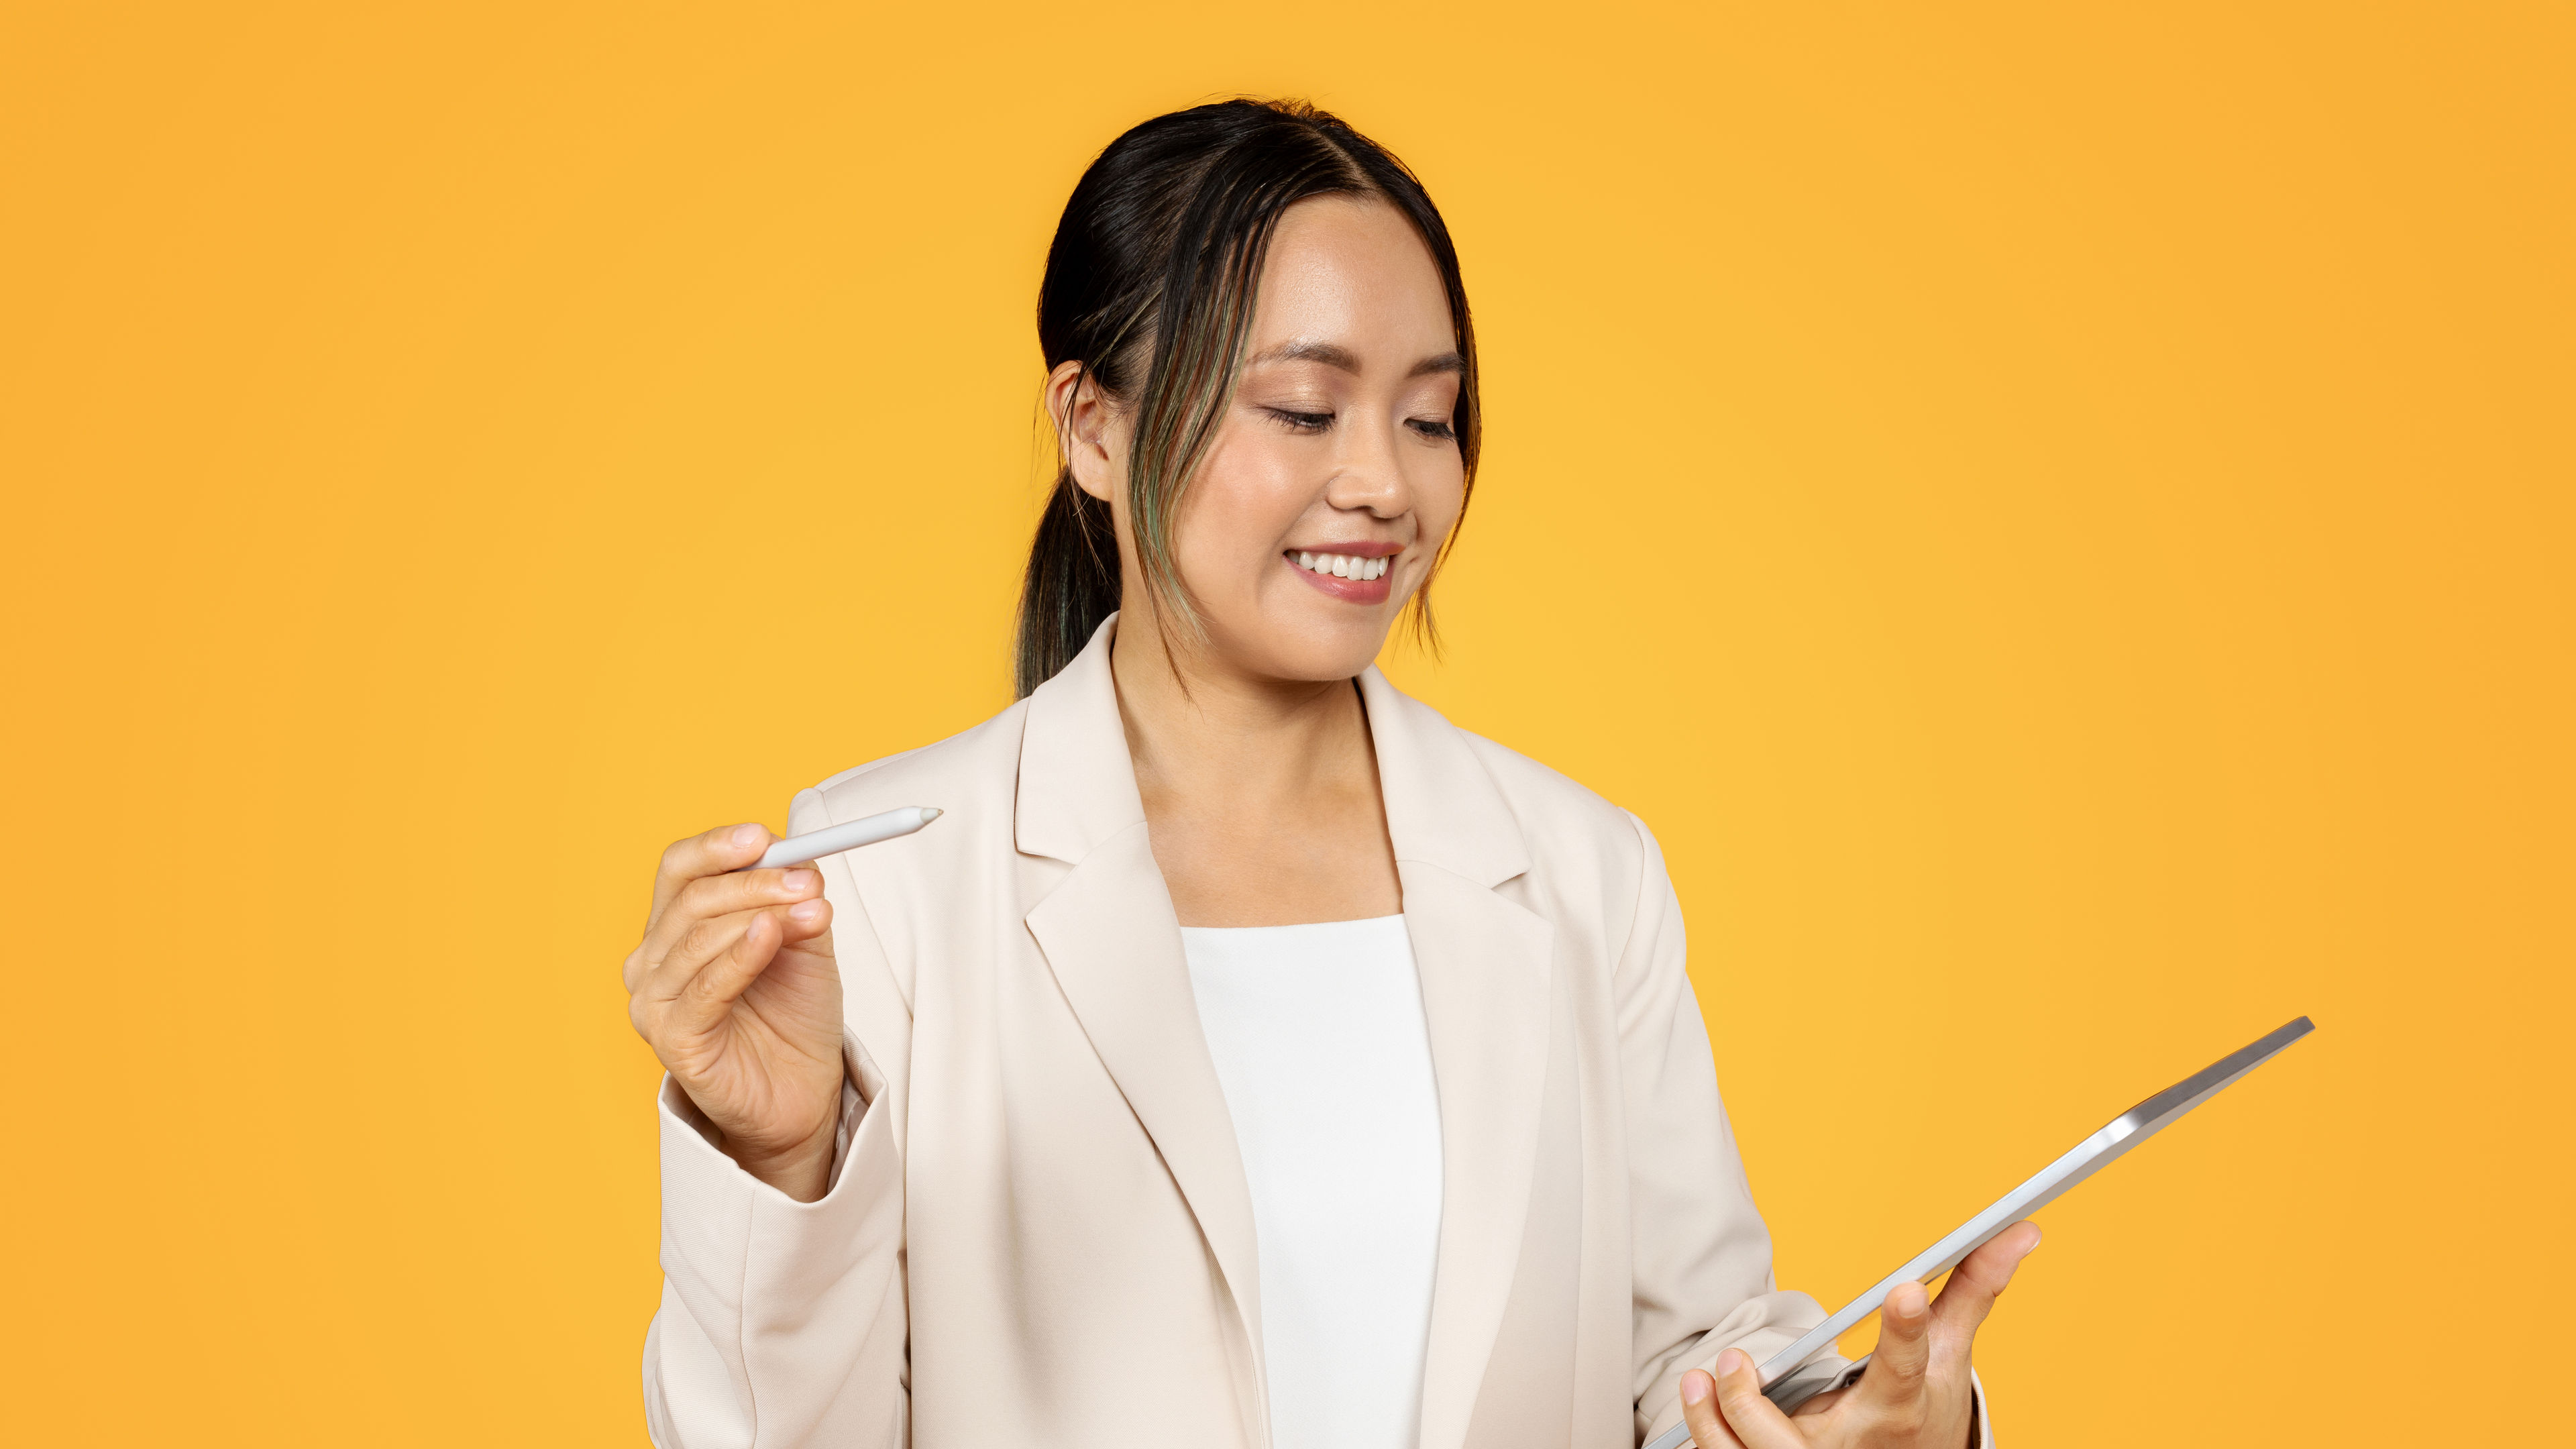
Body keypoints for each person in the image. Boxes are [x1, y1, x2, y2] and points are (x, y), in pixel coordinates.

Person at [621, 98, 2039, 1449]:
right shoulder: (876, 888)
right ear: (1094, 428)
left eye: (1429, 417)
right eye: (1306, 409)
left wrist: (1858, 1422)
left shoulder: (1582, 868)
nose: (1386, 483)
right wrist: (780, 1161)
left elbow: (1685, 1370)